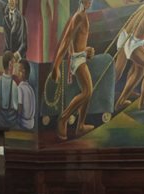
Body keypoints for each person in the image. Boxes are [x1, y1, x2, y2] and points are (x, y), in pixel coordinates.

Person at [49, 0, 94, 140]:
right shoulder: (79, 16)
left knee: (88, 92)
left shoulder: (82, 15)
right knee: (87, 91)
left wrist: (86, 50)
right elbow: (66, 40)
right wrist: (56, 66)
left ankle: (80, 126)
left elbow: (76, 41)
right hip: (77, 59)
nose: (90, 2)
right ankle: (63, 118)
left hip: (80, 57)